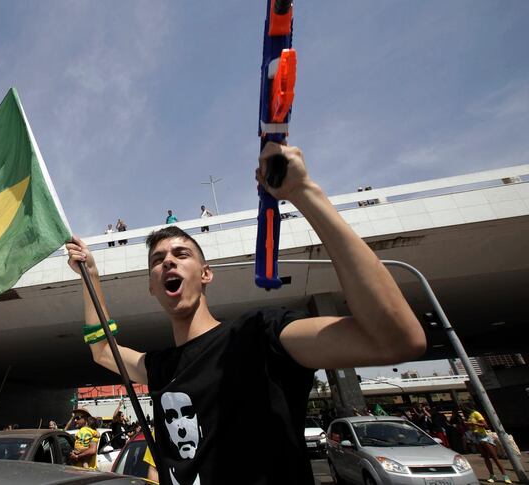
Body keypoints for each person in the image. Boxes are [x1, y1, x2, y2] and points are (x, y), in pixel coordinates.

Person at [65, 141, 426, 484]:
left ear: (206, 275)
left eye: (181, 254)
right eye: (158, 260)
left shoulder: (260, 336)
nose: (168, 261)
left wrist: (304, 193)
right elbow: (101, 350)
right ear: (152, 285)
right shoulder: (161, 368)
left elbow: (396, 339)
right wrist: (91, 277)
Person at [463, 404, 511, 484]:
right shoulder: (470, 416)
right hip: (476, 438)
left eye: (464, 408)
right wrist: (469, 425)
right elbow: (472, 428)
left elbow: (485, 425)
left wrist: (473, 424)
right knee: (485, 457)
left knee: (494, 457)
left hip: (484, 437)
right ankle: (492, 475)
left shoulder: (476, 413)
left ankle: (505, 476)